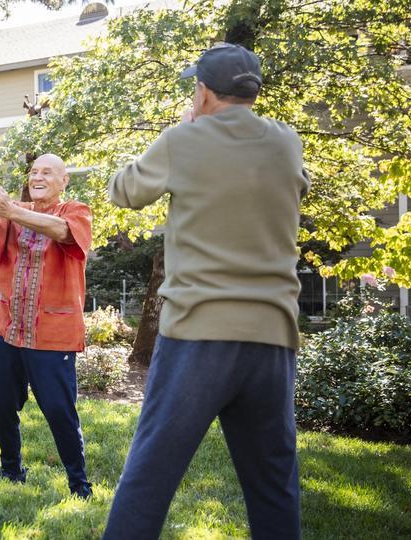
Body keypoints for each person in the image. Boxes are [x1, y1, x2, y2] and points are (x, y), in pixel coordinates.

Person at [103, 43, 310, 539]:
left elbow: (123, 191)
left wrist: (182, 130)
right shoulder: (287, 141)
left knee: (150, 475)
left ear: (202, 90)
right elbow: (296, 186)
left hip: (199, 334)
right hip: (272, 337)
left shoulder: (183, 140)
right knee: (273, 485)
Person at [0, 153, 94, 500]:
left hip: (53, 332)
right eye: (33, 171)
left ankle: (78, 482)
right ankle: (11, 468)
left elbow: (63, 234)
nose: (37, 176)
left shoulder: (76, 211)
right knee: (0, 403)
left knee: (59, 410)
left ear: (63, 181)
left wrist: (12, 210)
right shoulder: (10, 212)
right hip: (8, 326)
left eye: (47, 172)